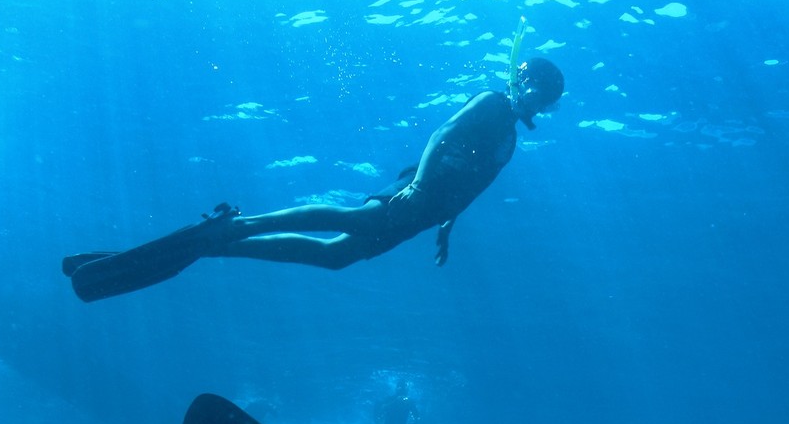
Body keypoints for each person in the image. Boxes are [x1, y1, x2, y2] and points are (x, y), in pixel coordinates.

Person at [63, 55, 565, 302]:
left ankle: (221, 243)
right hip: (416, 193)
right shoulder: (492, 102)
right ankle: (237, 226)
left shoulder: (510, 139)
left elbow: (474, 186)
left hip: (429, 212)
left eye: (546, 100)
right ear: (523, 83)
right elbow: (441, 134)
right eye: (537, 91)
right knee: (353, 219)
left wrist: (446, 227)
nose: (537, 103)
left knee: (334, 258)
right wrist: (416, 188)